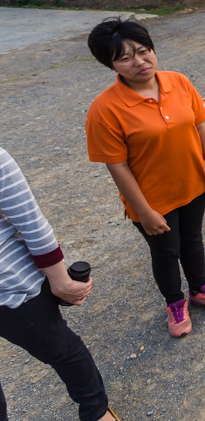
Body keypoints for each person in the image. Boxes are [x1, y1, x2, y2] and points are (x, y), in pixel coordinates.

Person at [85, 18, 205, 338]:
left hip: (192, 185)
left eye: (143, 50)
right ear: (110, 65)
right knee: (166, 251)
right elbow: (117, 166)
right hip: (151, 200)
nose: (139, 61)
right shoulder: (105, 109)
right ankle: (175, 303)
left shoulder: (178, 82)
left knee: (192, 240)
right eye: (124, 57)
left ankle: (199, 289)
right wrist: (145, 211)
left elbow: (199, 126)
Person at [0, 147, 119, 421]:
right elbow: (29, 219)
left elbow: (28, 220)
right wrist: (60, 281)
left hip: (12, 286)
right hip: (13, 285)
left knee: (62, 348)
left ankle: (97, 412)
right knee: (63, 351)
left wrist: (59, 280)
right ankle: (97, 412)